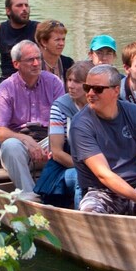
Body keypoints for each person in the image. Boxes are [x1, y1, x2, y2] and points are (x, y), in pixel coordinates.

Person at [70, 65, 136, 216]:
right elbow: (104, 175)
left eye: (98, 89)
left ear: (116, 90)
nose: (90, 93)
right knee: (91, 210)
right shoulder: (80, 125)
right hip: (102, 192)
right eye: (87, 87)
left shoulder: (135, 113)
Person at [0, 40, 65, 192]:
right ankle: (30, 196)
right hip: (20, 143)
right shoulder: (6, 88)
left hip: (49, 140)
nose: (36, 63)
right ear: (16, 64)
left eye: (39, 58)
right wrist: (25, 139)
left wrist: (52, 143)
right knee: (10, 146)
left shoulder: (53, 82)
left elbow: (63, 119)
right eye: (30, 60)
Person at [35, 60, 93, 208]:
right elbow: (56, 153)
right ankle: (82, 220)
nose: (71, 86)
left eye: (77, 82)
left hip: (100, 164)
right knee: (82, 178)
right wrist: (91, 169)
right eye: (69, 80)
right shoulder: (60, 107)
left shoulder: (99, 104)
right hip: (66, 167)